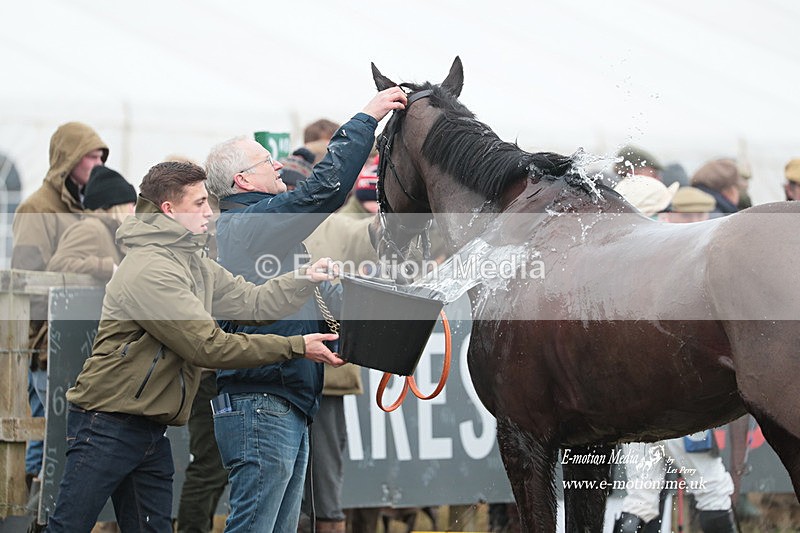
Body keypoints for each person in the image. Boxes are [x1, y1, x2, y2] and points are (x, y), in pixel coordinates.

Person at [44, 161, 344, 533]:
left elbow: (251, 302)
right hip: (106, 424)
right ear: (169, 210)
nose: (209, 211)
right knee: (68, 526)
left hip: (150, 427)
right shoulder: (152, 268)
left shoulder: (195, 262)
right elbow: (208, 347)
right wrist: (295, 346)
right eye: (199, 203)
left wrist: (302, 279)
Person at [204, 87, 407, 533]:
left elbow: (316, 307)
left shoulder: (257, 230)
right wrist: (365, 119)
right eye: (265, 162)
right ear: (241, 180)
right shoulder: (250, 223)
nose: (277, 165)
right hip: (263, 401)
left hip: (281, 399)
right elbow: (322, 192)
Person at [613, 179, 736, 533]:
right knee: (713, 487)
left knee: (641, 497)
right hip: (676, 394)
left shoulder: (615, 261)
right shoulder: (669, 258)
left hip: (630, 399)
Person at [11, 122, 108, 501]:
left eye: (102, 155)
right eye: (90, 154)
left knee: (61, 437)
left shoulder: (87, 204)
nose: (97, 162)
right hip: (46, 344)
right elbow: (28, 281)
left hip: (80, 341)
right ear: (68, 159)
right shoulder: (37, 208)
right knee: (45, 441)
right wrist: (97, 268)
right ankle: (27, 513)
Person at [47, 166, 136, 280]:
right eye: (131, 205)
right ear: (117, 206)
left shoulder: (111, 232)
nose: (133, 212)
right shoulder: (91, 229)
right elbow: (57, 266)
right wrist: (107, 268)